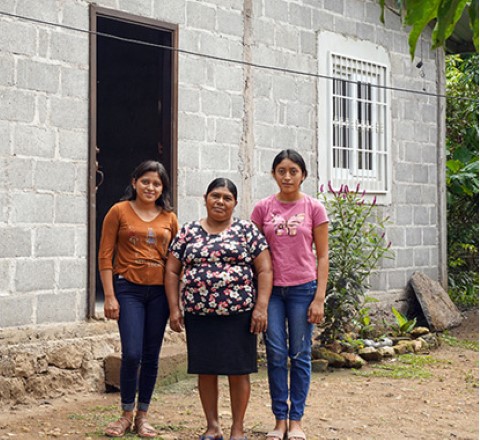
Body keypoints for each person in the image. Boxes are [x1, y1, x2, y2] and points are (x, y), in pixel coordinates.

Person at [165, 178, 273, 440]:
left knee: (238, 371)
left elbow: (265, 269)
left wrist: (261, 307)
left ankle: (238, 428)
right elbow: (171, 270)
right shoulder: (188, 231)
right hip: (199, 315)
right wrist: (174, 308)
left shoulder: (247, 231)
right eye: (215, 196)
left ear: (235, 203)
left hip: (239, 315)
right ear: (205, 198)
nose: (220, 202)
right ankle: (213, 427)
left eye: (227, 198)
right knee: (206, 369)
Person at [250, 149, 329, 440]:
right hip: (270, 292)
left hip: (303, 289)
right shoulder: (262, 209)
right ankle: (279, 419)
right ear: (273, 174)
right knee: (275, 353)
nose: (287, 176)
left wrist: (319, 297)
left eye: (293, 171)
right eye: (281, 170)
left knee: (300, 354)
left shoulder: (314, 208)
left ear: (303, 175)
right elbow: (254, 255)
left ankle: (296, 420)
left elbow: (322, 256)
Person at [98, 160, 178, 438]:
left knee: (151, 356)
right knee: (131, 353)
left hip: (159, 294)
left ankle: (143, 416)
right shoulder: (118, 212)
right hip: (128, 290)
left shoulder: (169, 218)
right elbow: (105, 256)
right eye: (145, 181)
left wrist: (176, 302)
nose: (150, 187)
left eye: (157, 183)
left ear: (162, 188)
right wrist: (110, 295)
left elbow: (176, 262)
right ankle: (125, 415)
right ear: (134, 182)